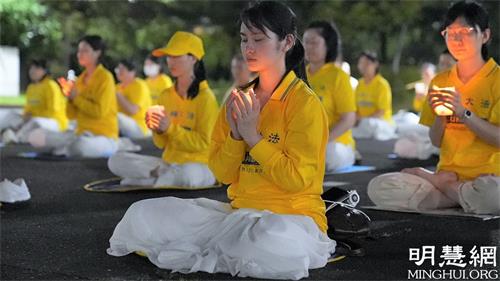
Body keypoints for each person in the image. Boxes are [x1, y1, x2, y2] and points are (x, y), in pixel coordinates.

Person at [107, 2, 335, 280]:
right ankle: (226, 245)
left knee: (267, 239)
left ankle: (226, 245)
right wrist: (237, 136)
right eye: (244, 39)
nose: (248, 47)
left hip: (291, 219)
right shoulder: (238, 99)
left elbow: (297, 180)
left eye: (258, 39)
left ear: (287, 42)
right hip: (237, 214)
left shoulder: (303, 103)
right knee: (142, 214)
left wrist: (253, 136)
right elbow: (223, 174)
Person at [368, 1, 500, 215]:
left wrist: (464, 114)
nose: (456, 39)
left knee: (495, 195)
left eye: (465, 32)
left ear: (484, 36)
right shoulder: (440, 81)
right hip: (449, 172)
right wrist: (441, 116)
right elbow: (436, 140)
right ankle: (461, 196)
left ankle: (443, 189)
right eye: (450, 32)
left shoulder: (497, 80)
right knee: (380, 187)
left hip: (489, 178)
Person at [107, 31, 218, 188]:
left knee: (188, 175)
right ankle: (157, 180)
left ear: (193, 58)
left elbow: (205, 143)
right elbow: (160, 144)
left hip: (199, 165)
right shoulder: (166, 95)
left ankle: (148, 181)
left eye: (176, 56)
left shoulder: (206, 97)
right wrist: (157, 130)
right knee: (115, 160)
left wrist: (170, 129)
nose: (170, 61)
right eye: (168, 56)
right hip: (169, 163)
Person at [28, 35, 119, 158]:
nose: (79, 54)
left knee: (80, 146)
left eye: (85, 50)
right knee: (35, 137)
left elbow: (99, 112)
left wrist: (76, 98)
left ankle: (64, 148)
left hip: (102, 136)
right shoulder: (79, 80)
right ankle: (64, 148)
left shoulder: (105, 77)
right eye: (79, 50)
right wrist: (70, 98)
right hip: (79, 133)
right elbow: (71, 115)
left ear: (97, 53)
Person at [303, 20, 356, 172]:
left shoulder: (338, 76)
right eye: (306, 42)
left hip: (334, 143)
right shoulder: (298, 75)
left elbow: (348, 119)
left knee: (326, 155)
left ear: (328, 45)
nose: (308, 47)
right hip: (303, 141)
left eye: (314, 42)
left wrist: (322, 141)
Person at [0, 59, 68, 144]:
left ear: (44, 71)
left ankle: (16, 138)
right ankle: (5, 133)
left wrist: (32, 117)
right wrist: (24, 118)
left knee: (35, 121)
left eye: (36, 68)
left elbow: (53, 111)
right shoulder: (31, 88)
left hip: (55, 122)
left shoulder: (51, 86)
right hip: (34, 121)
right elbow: (27, 110)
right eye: (31, 68)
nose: (32, 71)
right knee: (11, 115)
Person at [352, 51, 396, 141]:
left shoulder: (382, 84)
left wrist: (363, 120)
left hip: (380, 123)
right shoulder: (360, 84)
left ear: (375, 65)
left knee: (369, 124)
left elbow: (381, 112)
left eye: (367, 63)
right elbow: (354, 109)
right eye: (361, 63)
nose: (363, 66)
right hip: (362, 123)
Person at [115, 59, 152, 139]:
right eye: (118, 69)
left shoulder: (139, 85)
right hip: (122, 127)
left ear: (132, 72)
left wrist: (118, 95)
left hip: (140, 128)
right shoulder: (117, 87)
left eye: (122, 70)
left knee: (117, 117)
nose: (118, 72)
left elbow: (133, 110)